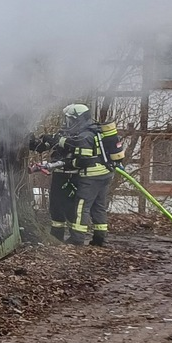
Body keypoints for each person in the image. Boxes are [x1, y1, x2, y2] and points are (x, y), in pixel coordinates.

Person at [54, 104, 125, 247]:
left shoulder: (84, 135)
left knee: (81, 207)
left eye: (70, 120)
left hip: (91, 177)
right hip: (105, 174)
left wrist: (68, 163)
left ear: (77, 119)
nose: (68, 123)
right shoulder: (96, 130)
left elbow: (83, 161)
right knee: (98, 206)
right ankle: (100, 238)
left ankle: (77, 239)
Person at [28, 130, 77, 242]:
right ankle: (56, 235)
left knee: (71, 207)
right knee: (56, 206)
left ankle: (76, 237)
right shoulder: (63, 132)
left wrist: (57, 140)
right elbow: (41, 147)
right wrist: (33, 142)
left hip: (73, 176)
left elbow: (74, 151)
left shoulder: (82, 136)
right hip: (59, 174)